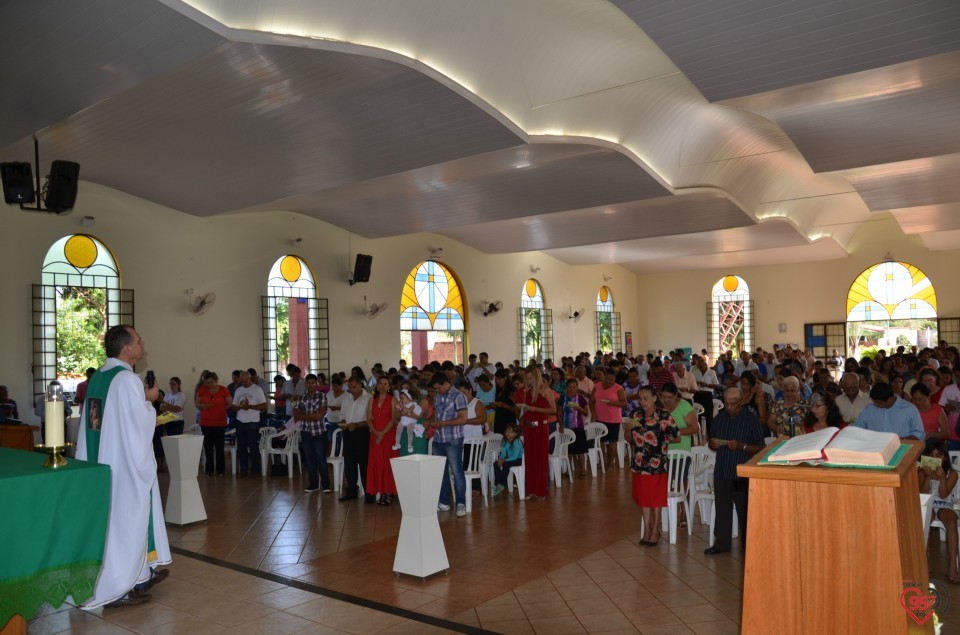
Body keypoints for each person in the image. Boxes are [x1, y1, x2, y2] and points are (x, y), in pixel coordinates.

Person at [76, 325, 171, 608]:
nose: (143, 345)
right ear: (126, 348)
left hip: (101, 461)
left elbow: (102, 422)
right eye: (139, 341)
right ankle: (118, 588)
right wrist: (151, 401)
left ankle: (140, 576)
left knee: (117, 524)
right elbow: (138, 424)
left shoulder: (99, 378)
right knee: (127, 521)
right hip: (122, 466)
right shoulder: (127, 380)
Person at [704, 387, 765, 555]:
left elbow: (761, 448)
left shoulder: (751, 419)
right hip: (722, 469)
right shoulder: (719, 419)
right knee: (722, 508)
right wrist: (713, 444)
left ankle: (749, 545)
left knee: (744, 510)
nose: (730, 407)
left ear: (741, 401)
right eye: (727, 404)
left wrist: (741, 446)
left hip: (741, 473)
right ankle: (722, 543)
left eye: (734, 404)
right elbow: (711, 441)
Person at [624, 386, 679, 546]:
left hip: (656, 463)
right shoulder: (635, 415)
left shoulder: (664, 416)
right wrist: (627, 430)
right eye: (640, 398)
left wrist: (660, 438)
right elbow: (630, 439)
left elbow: (676, 437)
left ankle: (655, 530)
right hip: (639, 462)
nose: (643, 402)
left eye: (646, 398)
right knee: (643, 497)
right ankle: (647, 529)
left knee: (655, 498)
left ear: (655, 398)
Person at [919, 442, 959, 583]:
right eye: (931, 455)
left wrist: (942, 478)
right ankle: (925, 562)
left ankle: (952, 566)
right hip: (927, 502)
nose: (935, 458)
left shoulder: (952, 474)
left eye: (939, 455)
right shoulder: (922, 473)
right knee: (924, 519)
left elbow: (943, 494)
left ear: (945, 458)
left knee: (951, 521)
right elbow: (922, 493)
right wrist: (928, 476)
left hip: (945, 504)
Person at [430, 372, 469, 516]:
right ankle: (444, 502)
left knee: (457, 472)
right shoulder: (437, 396)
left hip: (453, 439)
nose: (437, 391)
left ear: (446, 384)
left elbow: (463, 419)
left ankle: (460, 503)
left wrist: (443, 424)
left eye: (438, 388)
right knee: (441, 472)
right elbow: (436, 414)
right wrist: (431, 421)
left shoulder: (459, 396)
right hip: (438, 439)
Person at [521, 366, 556, 501]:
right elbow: (526, 409)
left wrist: (536, 409)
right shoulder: (527, 391)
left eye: (531, 378)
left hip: (541, 427)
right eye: (527, 379)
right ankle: (531, 490)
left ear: (537, 377)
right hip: (528, 428)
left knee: (541, 459)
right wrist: (522, 410)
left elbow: (553, 410)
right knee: (530, 459)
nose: (529, 381)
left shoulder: (546, 390)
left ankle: (541, 490)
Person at [338, 376, 373, 502]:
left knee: (364, 463)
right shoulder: (346, 398)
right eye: (350, 387)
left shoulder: (368, 398)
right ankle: (352, 490)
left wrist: (357, 425)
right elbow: (342, 414)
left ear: (360, 385)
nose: (352, 390)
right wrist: (342, 422)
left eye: (354, 387)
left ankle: (369, 493)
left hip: (362, 432)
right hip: (348, 431)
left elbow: (371, 419)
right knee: (349, 463)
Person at [853, 382, 925, 440]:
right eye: (874, 402)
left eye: (879, 403)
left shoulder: (909, 409)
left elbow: (919, 434)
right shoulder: (869, 409)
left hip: (901, 450)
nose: (875, 405)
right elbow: (857, 427)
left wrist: (902, 440)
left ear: (890, 400)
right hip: (875, 450)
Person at [366, 376, 398, 505]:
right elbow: (368, 419)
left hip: (388, 435)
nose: (382, 386)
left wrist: (382, 434)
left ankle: (388, 492)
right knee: (377, 463)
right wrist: (375, 432)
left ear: (389, 386)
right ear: (376, 385)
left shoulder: (392, 399)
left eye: (385, 384)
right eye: (380, 383)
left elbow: (394, 419)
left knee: (387, 463)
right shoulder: (371, 400)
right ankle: (380, 490)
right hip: (375, 435)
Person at [230, 371, 267, 477]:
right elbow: (233, 406)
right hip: (240, 421)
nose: (244, 383)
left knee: (253, 446)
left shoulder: (257, 389)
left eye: (246, 381)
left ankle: (256, 470)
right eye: (242, 381)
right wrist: (240, 406)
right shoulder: (239, 390)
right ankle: (243, 469)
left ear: (250, 379)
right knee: (241, 447)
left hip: (253, 422)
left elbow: (264, 406)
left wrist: (250, 406)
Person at [297, 374, 329, 493]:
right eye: (308, 382)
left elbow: (320, 415)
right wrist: (311, 416)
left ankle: (326, 485)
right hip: (305, 431)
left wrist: (305, 416)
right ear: (305, 384)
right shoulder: (302, 397)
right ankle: (313, 484)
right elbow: (297, 416)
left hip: (319, 432)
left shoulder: (322, 396)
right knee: (309, 459)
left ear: (316, 383)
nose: (310, 385)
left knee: (321, 458)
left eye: (312, 382)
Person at [194, 372, 231, 475]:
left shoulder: (223, 390)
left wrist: (221, 410)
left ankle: (220, 470)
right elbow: (197, 403)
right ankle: (209, 470)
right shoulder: (202, 390)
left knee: (219, 447)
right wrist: (202, 406)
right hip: (206, 423)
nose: (209, 384)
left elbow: (229, 404)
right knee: (208, 447)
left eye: (211, 382)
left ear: (216, 381)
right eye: (207, 382)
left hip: (220, 423)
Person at [592, 367, 627, 467]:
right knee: (601, 440)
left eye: (611, 379)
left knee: (612, 441)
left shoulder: (618, 388)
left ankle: (610, 462)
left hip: (613, 419)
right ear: (604, 377)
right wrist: (593, 413)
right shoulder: (597, 386)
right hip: (599, 418)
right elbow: (591, 400)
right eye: (607, 378)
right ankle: (602, 461)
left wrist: (614, 403)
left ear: (614, 379)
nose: (608, 381)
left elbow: (624, 403)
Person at [558, 378, 589, 477]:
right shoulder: (563, 398)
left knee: (581, 450)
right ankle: (568, 470)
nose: (572, 389)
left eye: (574, 387)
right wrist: (561, 426)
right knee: (569, 450)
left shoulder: (580, 398)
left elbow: (586, 412)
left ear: (577, 388)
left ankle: (583, 470)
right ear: (566, 388)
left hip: (578, 427)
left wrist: (579, 408)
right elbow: (559, 413)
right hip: (567, 428)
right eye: (570, 387)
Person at [492, 422, 523, 496]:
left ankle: (502, 484)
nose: (508, 433)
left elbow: (515, 457)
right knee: (495, 464)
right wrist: (500, 460)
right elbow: (503, 454)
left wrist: (504, 460)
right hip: (509, 459)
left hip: (519, 460)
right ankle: (498, 484)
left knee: (506, 464)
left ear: (515, 434)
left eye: (511, 431)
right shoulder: (505, 441)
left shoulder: (517, 441)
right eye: (507, 431)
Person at [393, 388, 423, 453]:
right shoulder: (403, 404)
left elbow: (409, 410)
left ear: (409, 398)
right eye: (401, 398)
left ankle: (410, 445)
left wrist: (402, 406)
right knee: (398, 430)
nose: (401, 400)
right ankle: (397, 443)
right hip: (403, 420)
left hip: (411, 421)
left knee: (409, 432)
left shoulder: (413, 404)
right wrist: (398, 405)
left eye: (403, 398)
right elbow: (397, 410)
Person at [490, 369, 518, 435]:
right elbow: (498, 407)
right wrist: (494, 406)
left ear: (505, 378)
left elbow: (516, 410)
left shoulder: (512, 391)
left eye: (499, 379)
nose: (497, 381)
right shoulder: (499, 390)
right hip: (499, 420)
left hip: (508, 421)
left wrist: (503, 405)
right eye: (496, 379)